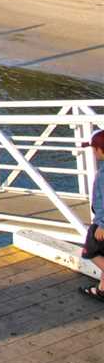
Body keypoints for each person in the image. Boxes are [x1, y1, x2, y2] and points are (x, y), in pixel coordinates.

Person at [79, 129, 104, 302]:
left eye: (94, 149)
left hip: (101, 223)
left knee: (90, 251)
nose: (93, 152)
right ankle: (102, 290)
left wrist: (102, 224)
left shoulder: (103, 175)